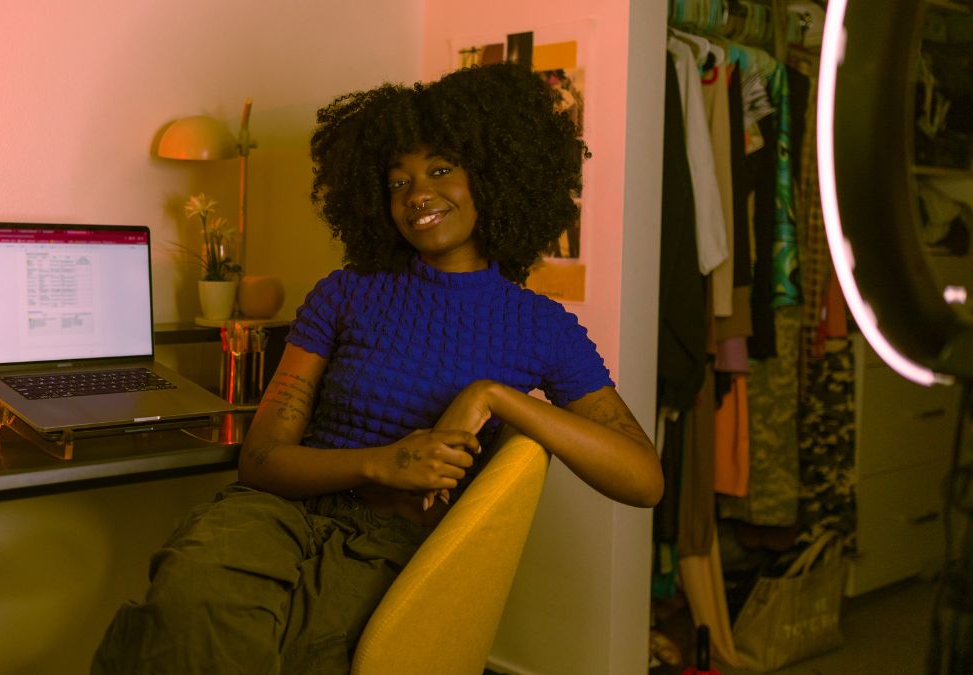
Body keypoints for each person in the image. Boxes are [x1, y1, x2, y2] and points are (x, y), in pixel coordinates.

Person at [92, 61, 663, 674]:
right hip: (276, 516)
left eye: (440, 170)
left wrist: (495, 396)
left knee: (302, 656)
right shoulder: (345, 294)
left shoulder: (542, 327)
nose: (416, 194)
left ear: (493, 176)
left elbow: (643, 479)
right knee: (188, 606)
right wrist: (382, 462)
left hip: (395, 549)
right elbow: (260, 462)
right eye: (397, 182)